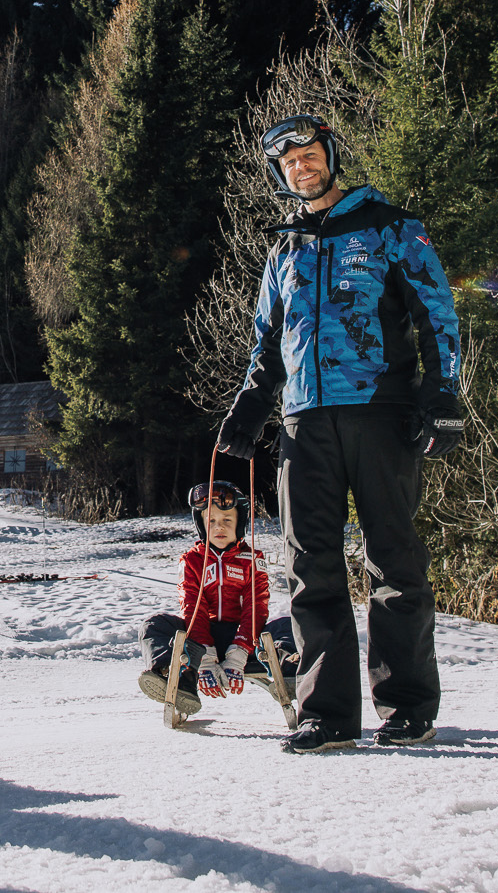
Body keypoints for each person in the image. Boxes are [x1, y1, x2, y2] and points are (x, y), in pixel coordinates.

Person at [216, 115, 462, 753]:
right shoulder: (283, 250)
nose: (302, 166)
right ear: (281, 175)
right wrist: (251, 404)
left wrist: (442, 395)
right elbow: (267, 342)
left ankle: (407, 707)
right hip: (304, 421)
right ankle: (325, 714)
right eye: (289, 162)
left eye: (310, 154)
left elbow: (437, 312)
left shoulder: (389, 226)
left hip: (380, 410)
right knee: (311, 566)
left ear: (330, 156)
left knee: (395, 560)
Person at [137, 480, 296, 718]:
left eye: (226, 520)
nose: (218, 527)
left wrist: (239, 652)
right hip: (200, 641)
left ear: (239, 523)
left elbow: (256, 606)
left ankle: (291, 674)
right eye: (211, 521)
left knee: (289, 625)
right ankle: (176, 678)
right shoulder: (191, 561)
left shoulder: (252, 559)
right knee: (154, 625)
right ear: (201, 524)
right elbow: (192, 606)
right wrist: (206, 654)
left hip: (246, 639)